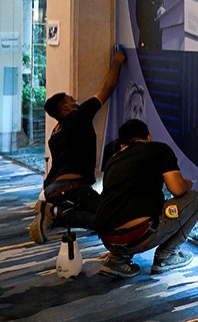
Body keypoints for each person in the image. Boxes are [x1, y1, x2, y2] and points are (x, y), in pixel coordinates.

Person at [29, 48, 127, 244]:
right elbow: (106, 89)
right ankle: (57, 213)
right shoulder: (78, 116)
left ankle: (56, 209)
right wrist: (117, 62)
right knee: (109, 218)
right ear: (65, 108)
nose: (76, 101)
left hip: (52, 187)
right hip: (73, 187)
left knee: (97, 215)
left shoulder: (55, 132)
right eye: (71, 100)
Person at [94, 119, 198, 278]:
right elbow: (177, 189)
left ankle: (118, 259)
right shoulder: (159, 149)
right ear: (149, 136)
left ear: (122, 144)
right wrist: (187, 183)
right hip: (138, 234)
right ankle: (166, 256)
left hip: (107, 239)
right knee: (195, 199)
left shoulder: (113, 159)